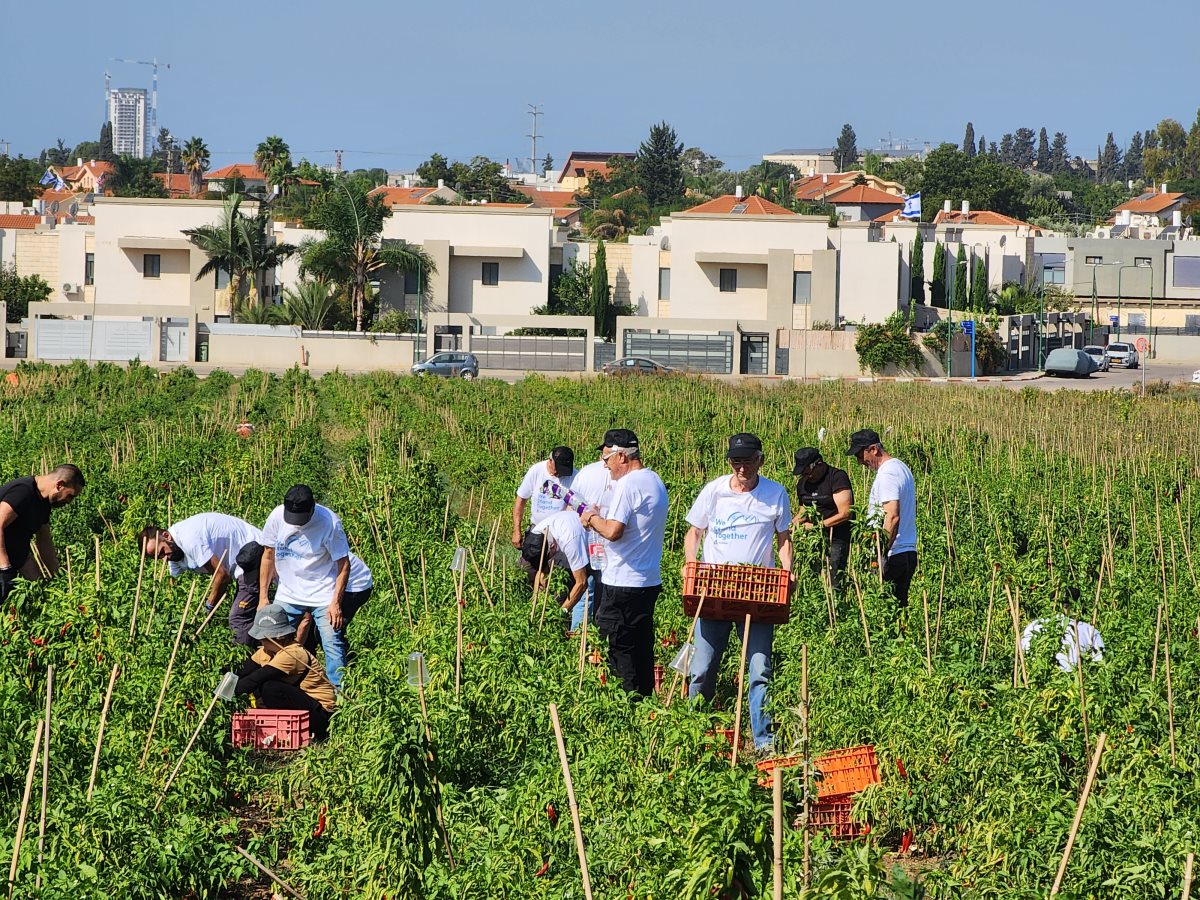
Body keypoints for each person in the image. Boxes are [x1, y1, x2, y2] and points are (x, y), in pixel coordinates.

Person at [684, 433, 793, 753]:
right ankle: (694, 732)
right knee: (702, 667)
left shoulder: (775, 493)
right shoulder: (714, 491)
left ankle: (763, 742)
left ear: (761, 459)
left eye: (747, 460)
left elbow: (783, 539)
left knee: (760, 669)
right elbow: (694, 533)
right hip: (715, 587)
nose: (741, 467)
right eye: (736, 461)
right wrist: (691, 564)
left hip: (757, 590)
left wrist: (787, 570)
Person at [580, 429, 667, 699]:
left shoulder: (628, 485)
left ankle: (626, 706)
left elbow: (614, 531)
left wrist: (590, 518)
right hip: (647, 581)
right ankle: (645, 703)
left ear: (621, 456)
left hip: (622, 582)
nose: (605, 467)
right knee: (641, 646)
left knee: (618, 648)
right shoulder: (654, 480)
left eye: (607, 460)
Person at [259, 485, 372, 689]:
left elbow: (343, 564)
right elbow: (268, 554)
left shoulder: (329, 522)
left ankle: (340, 699)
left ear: (312, 509)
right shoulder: (276, 517)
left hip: (322, 593)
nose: (296, 524)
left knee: (331, 643)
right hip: (289, 592)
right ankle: (269, 689)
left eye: (301, 518)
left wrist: (335, 603)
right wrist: (263, 598)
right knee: (271, 638)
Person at [140, 513, 265, 645]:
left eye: (161, 552)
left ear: (166, 536)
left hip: (252, 552)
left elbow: (222, 575)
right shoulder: (172, 553)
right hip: (238, 562)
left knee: (238, 618)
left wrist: (208, 607)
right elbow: (173, 588)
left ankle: (252, 660)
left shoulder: (189, 539)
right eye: (158, 558)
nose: (164, 558)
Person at [234, 603, 336, 741]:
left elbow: (254, 680)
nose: (260, 642)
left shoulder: (292, 654)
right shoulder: (267, 651)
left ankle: (305, 732)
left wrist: (225, 695)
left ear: (277, 637)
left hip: (321, 712)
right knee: (260, 685)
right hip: (304, 703)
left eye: (263, 639)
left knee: (269, 687)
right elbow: (243, 671)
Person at [848, 429, 917, 607]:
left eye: (860, 455)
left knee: (884, 612)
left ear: (873, 449)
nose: (859, 461)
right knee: (899, 612)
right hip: (906, 551)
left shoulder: (887, 474)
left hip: (893, 553)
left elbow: (892, 516)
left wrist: (880, 554)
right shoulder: (901, 467)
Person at [0, 464, 85, 601]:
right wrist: (4, 568)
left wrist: (58, 577)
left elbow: (45, 542)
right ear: (59, 485)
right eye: (70, 496)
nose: (69, 502)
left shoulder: (44, 503)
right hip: (3, 559)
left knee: (40, 596)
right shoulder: (23, 492)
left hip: (18, 556)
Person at [568, 434, 617, 631]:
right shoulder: (624, 478)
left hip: (585, 540)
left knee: (585, 588)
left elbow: (570, 504)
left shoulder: (586, 473)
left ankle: (578, 634)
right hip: (610, 542)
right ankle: (599, 633)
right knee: (605, 588)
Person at [791, 447, 853, 594]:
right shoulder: (803, 484)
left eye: (808, 472)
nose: (806, 476)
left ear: (818, 464)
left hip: (836, 537)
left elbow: (845, 513)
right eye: (803, 474)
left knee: (834, 581)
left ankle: (836, 612)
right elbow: (804, 510)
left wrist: (817, 526)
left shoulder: (837, 477)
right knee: (813, 579)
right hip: (814, 539)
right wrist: (793, 524)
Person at [521, 509, 590, 624]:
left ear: (552, 547)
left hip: (595, 546)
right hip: (568, 533)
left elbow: (582, 583)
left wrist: (560, 613)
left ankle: (576, 631)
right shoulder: (538, 533)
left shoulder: (570, 541)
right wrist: (535, 603)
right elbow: (541, 571)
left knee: (588, 592)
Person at [512, 446, 575, 554]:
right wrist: (516, 530)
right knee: (528, 566)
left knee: (558, 566)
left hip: (561, 533)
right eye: (558, 470)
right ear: (550, 460)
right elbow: (521, 500)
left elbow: (573, 507)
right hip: (537, 529)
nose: (560, 474)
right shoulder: (536, 471)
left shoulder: (575, 476)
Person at [1021, 616, 1105, 672]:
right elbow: (1098, 661)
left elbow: (1024, 653)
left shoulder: (1034, 625)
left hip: (1041, 676)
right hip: (1076, 679)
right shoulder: (1088, 629)